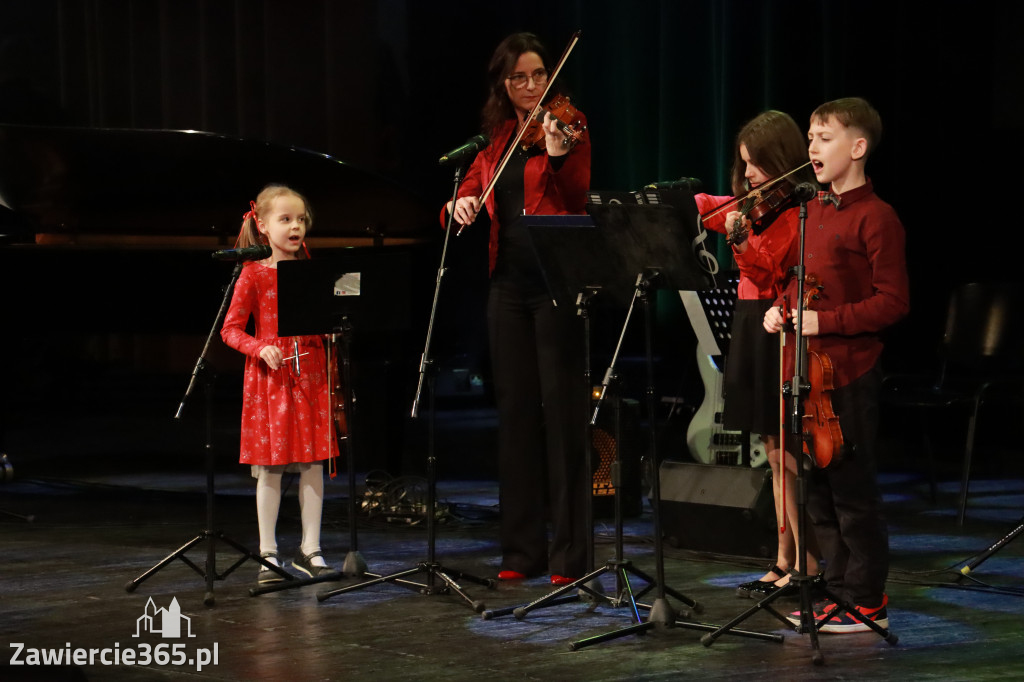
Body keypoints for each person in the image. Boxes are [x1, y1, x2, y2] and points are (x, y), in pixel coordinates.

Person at [442, 32, 591, 586]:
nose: (531, 87)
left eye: (538, 75)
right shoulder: (499, 137)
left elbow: (576, 199)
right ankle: (521, 550)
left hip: (556, 288)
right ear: (503, 85)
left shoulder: (569, 127)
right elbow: (471, 191)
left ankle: (571, 556)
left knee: (564, 420)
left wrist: (557, 156)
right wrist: (455, 203)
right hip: (507, 289)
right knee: (518, 421)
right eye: (519, 78)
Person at [764, 97, 909, 633]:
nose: (811, 148)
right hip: (805, 374)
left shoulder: (878, 217)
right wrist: (781, 309)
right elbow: (799, 282)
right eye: (809, 138)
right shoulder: (813, 210)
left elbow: (893, 301)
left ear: (858, 146)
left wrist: (826, 322)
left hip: (847, 372)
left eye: (823, 138)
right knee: (817, 490)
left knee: (852, 491)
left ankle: (867, 598)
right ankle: (836, 588)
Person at [693, 110, 819, 599]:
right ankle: (784, 557)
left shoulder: (797, 212)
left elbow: (771, 274)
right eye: (744, 164)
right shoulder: (757, 203)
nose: (749, 176)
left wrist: (742, 242)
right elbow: (711, 206)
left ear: (781, 160)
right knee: (770, 449)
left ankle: (804, 557)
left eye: (758, 165)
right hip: (749, 320)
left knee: (784, 448)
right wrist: (690, 202)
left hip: (776, 322)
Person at [221, 184, 340, 584]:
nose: (295, 227)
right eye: (286, 219)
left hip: (310, 375)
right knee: (270, 467)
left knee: (311, 465)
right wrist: (259, 349)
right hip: (270, 381)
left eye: (301, 219)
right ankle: (267, 553)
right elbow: (231, 330)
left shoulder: (312, 271)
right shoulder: (253, 274)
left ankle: (311, 549)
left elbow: (331, 320)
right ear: (263, 225)